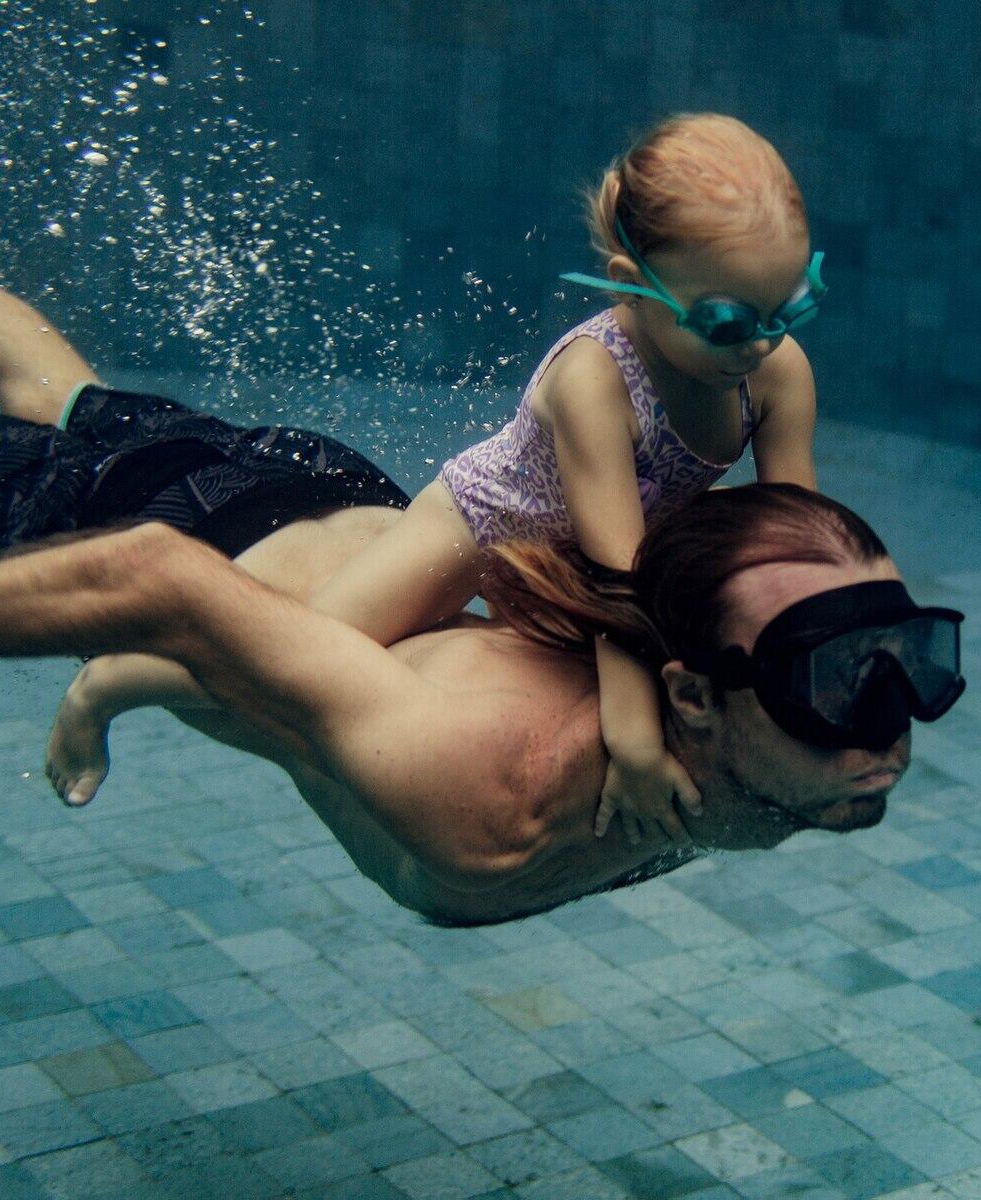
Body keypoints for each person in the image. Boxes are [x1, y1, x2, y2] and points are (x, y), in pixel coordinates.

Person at [0, 174, 964, 926]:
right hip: (210, 544)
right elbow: (157, 584)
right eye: (838, 678)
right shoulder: (477, 771)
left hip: (343, 507)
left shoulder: (777, 757)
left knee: (66, 397)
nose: (893, 721)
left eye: (908, 659)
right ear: (690, 697)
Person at [51, 113, 828, 847]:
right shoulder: (596, 384)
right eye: (729, 322)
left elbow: (800, 545)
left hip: (601, 548)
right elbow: (615, 579)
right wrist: (633, 745)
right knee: (299, 660)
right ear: (631, 284)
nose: (761, 344)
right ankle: (115, 682)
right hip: (480, 531)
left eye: (791, 307)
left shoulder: (776, 374)